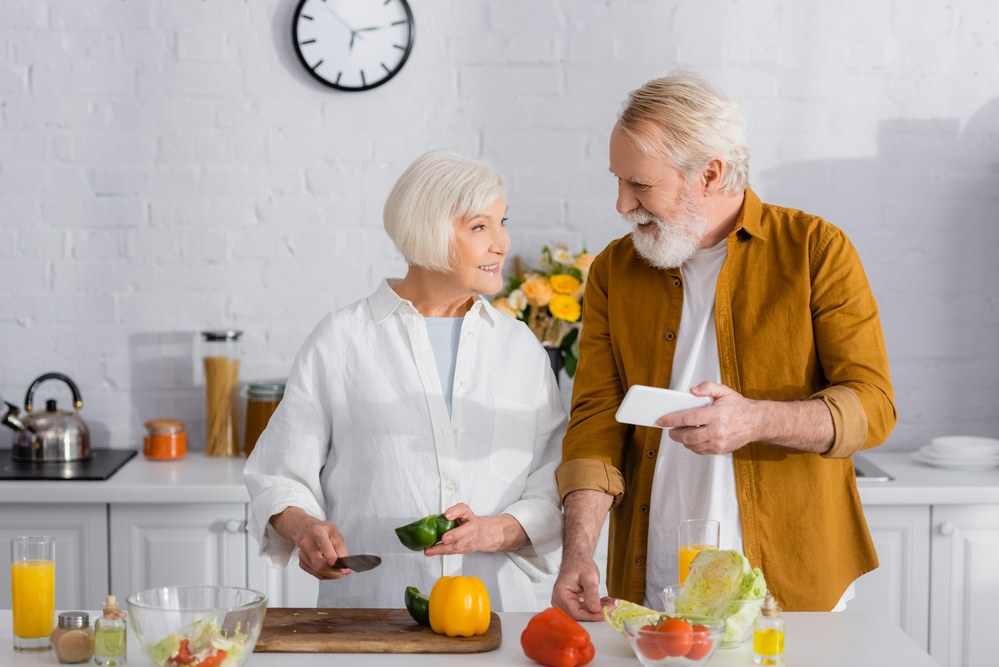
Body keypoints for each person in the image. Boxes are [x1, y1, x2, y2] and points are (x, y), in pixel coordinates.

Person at [552, 71, 895, 618]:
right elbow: (596, 420)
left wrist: (756, 420)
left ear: (709, 174)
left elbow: (874, 407)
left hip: (790, 583)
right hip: (652, 578)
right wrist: (576, 553)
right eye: (617, 181)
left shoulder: (815, 251)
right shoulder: (613, 271)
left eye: (639, 184)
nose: (621, 203)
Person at [245, 150, 566, 611]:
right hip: (367, 617)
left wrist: (498, 530)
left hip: (495, 620)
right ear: (429, 230)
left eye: (502, 222)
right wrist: (304, 529)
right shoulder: (342, 339)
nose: (502, 242)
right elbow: (278, 472)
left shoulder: (520, 348)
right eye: (480, 227)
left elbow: (554, 479)